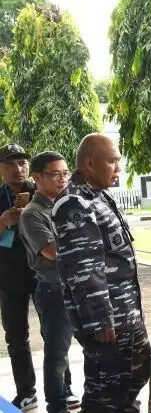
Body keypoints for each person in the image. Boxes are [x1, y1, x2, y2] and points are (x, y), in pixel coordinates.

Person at [53, 134, 151, 412]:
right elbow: (84, 267)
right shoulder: (74, 203)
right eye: (112, 161)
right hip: (108, 319)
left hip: (125, 312)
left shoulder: (97, 195)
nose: (118, 168)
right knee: (105, 393)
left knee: (134, 373)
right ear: (89, 164)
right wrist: (100, 319)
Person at [19, 152, 80, 413]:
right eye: (55, 174)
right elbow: (52, 251)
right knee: (57, 353)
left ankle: (74, 394)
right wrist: (83, 238)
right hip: (54, 289)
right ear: (37, 177)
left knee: (92, 346)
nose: (62, 179)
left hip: (79, 286)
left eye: (66, 173)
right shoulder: (32, 214)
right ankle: (56, 405)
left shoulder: (68, 205)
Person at [0, 144, 39, 411]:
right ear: (1, 169)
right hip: (9, 277)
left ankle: (64, 388)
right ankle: (26, 392)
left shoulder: (42, 193)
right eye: (10, 164)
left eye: (22, 163)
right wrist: (3, 222)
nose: (18, 169)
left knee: (55, 332)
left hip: (43, 274)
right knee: (16, 337)